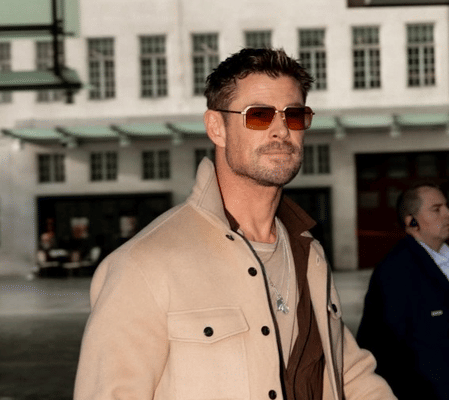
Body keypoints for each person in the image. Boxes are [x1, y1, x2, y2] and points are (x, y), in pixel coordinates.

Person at [74, 48, 395, 400]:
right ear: (217, 128)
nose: (281, 130)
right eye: (259, 115)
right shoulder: (142, 265)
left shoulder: (309, 253)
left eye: (294, 115)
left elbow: (348, 375)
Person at [357, 183, 449, 399]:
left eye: (446, 206)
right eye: (436, 209)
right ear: (411, 221)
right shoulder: (395, 271)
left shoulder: (444, 257)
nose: (447, 214)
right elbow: (390, 348)